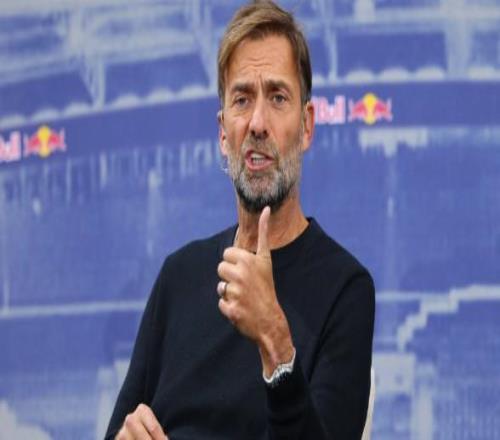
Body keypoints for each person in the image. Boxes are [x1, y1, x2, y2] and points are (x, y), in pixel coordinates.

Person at [105, 1, 375, 439]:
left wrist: (275, 342)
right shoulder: (179, 276)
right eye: (242, 99)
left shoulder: (346, 290)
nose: (257, 123)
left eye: (278, 97)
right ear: (222, 132)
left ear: (307, 126)